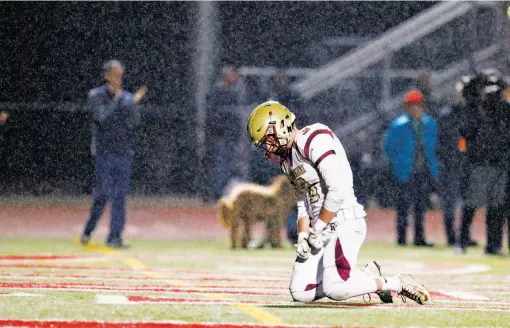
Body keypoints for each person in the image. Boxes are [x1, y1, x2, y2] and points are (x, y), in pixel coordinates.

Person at [246, 100, 431, 305]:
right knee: (301, 292)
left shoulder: (315, 138)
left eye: (267, 139)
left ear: (280, 126)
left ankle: (395, 283)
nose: (268, 147)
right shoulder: (288, 161)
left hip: (343, 221)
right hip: (320, 229)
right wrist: (303, 235)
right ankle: (365, 275)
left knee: (336, 289)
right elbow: (302, 203)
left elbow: (337, 190)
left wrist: (318, 227)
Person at [80, 60, 147, 248]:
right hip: (104, 152)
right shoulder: (96, 95)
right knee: (102, 194)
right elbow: (101, 118)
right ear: (107, 75)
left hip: (123, 152)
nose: (119, 78)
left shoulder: (126, 97)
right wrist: (118, 101)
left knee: (120, 195)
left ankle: (115, 237)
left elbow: (134, 122)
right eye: (115, 74)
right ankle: (88, 230)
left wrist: (133, 104)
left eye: (121, 75)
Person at [383, 90, 438, 247]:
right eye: (412, 106)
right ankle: (401, 237)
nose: (415, 109)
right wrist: (399, 161)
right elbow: (388, 147)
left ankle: (419, 237)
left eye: (417, 106)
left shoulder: (429, 124)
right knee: (403, 206)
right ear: (407, 107)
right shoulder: (398, 126)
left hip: (423, 171)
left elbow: (433, 147)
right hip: (404, 171)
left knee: (420, 206)